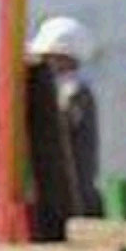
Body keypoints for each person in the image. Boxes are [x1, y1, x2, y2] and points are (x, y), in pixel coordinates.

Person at [28, 17, 104, 219]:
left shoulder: (75, 94)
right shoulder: (63, 91)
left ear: (65, 57)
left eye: (47, 58)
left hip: (72, 198)